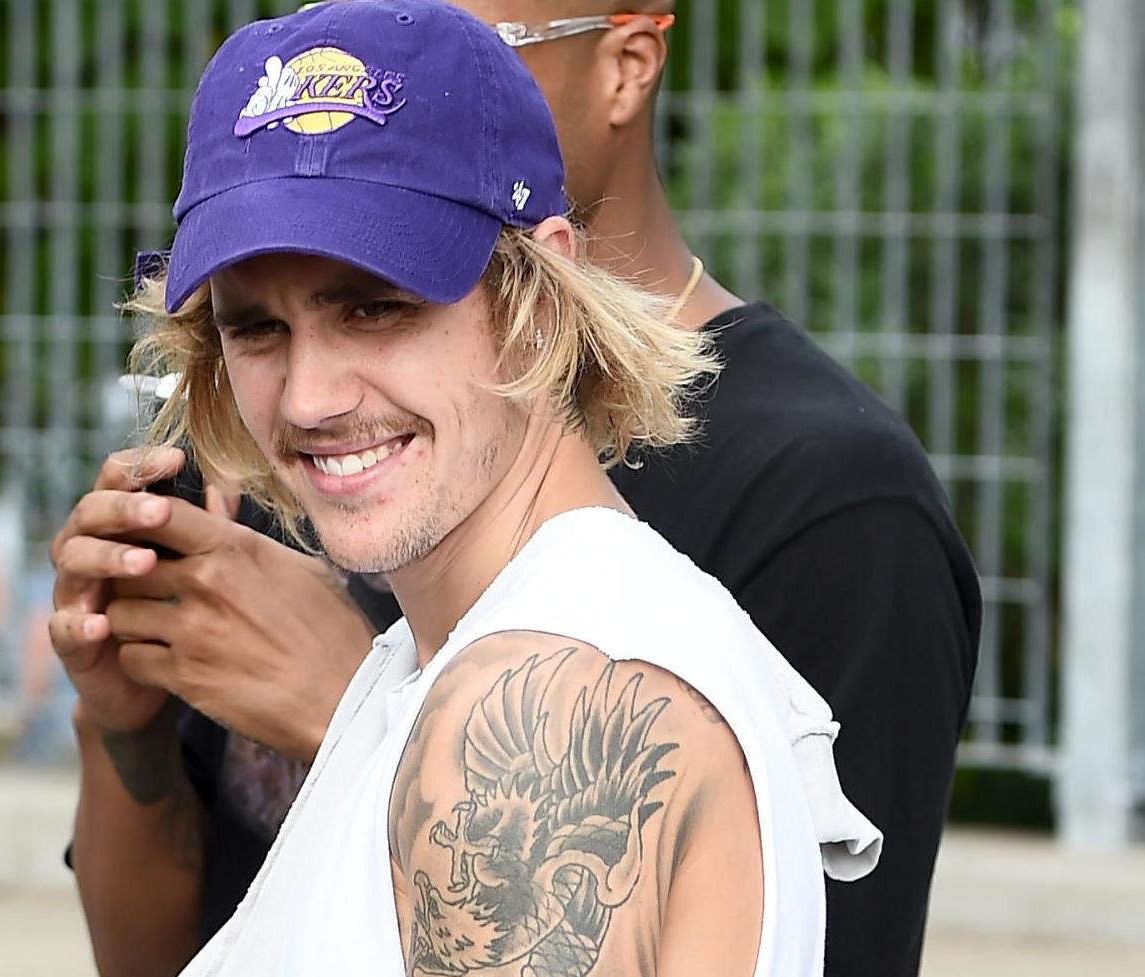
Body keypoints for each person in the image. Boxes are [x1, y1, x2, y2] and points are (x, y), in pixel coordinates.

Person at [51, 1, 979, 975]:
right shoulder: (544, 638)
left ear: (539, 299)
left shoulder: (522, 711)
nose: (312, 396)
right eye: (256, 328)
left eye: (377, 308)